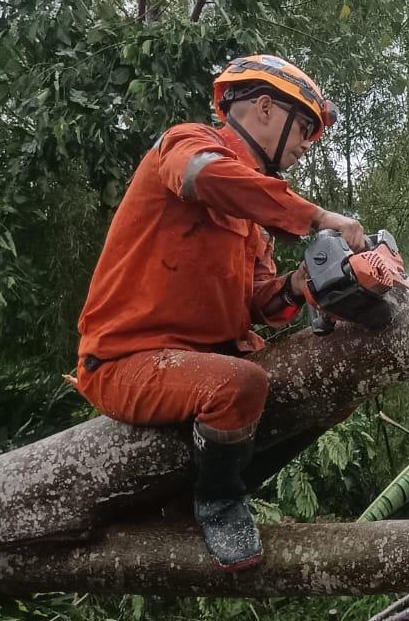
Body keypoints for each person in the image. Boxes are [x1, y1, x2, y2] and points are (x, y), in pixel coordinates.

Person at [73, 55, 366, 571]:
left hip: (206, 365)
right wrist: (314, 217)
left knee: (335, 390)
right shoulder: (187, 143)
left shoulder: (253, 223)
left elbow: (261, 306)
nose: (304, 145)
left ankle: (200, 489)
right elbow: (204, 177)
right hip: (124, 362)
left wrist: (302, 284)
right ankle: (217, 502)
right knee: (239, 385)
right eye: (303, 129)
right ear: (265, 108)